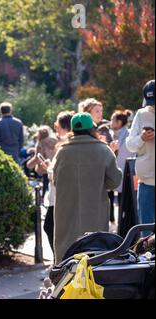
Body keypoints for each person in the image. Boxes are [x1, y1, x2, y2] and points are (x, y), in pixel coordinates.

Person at [51, 113, 122, 263]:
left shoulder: (62, 152)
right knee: (94, 256)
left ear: (72, 130)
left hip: (66, 216)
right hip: (95, 214)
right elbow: (114, 182)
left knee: (66, 259)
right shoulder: (103, 150)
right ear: (92, 129)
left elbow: (55, 180)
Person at [37, 111, 74, 260]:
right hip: (58, 196)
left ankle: (61, 264)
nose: (55, 128)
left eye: (57, 125)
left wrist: (49, 170)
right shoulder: (64, 145)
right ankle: (60, 263)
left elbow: (61, 175)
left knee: (50, 227)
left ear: (64, 127)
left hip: (60, 197)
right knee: (52, 228)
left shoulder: (65, 147)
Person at [126, 80, 155, 229]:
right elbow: (130, 145)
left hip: (146, 178)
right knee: (146, 231)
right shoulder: (141, 114)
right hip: (146, 180)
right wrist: (142, 138)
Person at [109, 110, 135, 221]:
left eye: (112, 120)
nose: (110, 122)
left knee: (124, 204)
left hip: (126, 174)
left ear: (119, 122)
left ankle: (123, 227)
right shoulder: (109, 135)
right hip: (113, 172)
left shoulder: (129, 135)